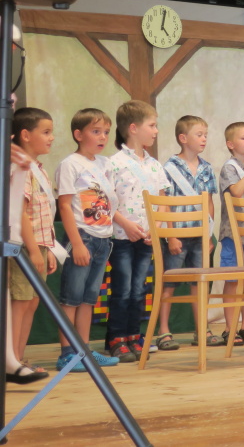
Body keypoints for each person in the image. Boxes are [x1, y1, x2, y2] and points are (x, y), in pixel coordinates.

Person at [54, 108, 121, 371]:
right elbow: (64, 206)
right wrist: (78, 244)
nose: (103, 136)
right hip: (82, 236)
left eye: (106, 132)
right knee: (71, 297)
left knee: (88, 298)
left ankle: (84, 350)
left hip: (103, 238)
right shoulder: (70, 164)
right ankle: (66, 353)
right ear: (78, 134)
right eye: (96, 131)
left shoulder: (105, 164)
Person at [106, 100, 171, 362]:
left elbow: (163, 200)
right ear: (133, 128)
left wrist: (157, 228)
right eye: (152, 125)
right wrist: (126, 224)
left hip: (146, 238)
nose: (156, 131)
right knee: (122, 289)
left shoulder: (155, 165)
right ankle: (116, 338)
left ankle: (134, 335)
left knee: (139, 289)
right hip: (122, 237)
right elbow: (106, 203)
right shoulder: (113, 164)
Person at [160, 115, 220, 350]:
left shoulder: (207, 168)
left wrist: (209, 234)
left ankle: (201, 328)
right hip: (177, 234)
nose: (204, 139)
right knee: (169, 282)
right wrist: (171, 235)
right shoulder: (169, 168)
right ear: (183, 138)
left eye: (205, 135)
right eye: (199, 134)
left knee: (200, 283)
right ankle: (164, 331)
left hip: (200, 235)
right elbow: (164, 203)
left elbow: (209, 203)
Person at [10, 108, 57, 380]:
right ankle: (12, 361)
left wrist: (46, 249)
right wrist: (32, 249)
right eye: (46, 132)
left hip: (39, 245)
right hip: (24, 247)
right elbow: (20, 212)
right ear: (26, 135)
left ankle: (19, 358)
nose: (51, 138)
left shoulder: (39, 169)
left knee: (32, 303)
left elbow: (43, 214)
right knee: (20, 302)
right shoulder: (21, 168)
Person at [218, 121, 244, 345]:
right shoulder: (230, 167)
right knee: (233, 279)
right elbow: (236, 192)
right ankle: (230, 327)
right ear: (231, 144)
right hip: (232, 235)